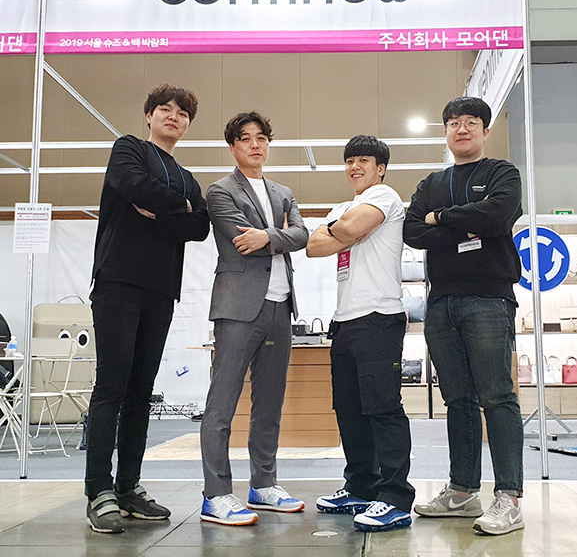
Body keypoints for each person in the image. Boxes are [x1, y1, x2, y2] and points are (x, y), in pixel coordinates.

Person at [85, 84, 210, 534]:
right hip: (118, 282)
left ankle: (128, 487)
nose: (174, 117)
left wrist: (164, 211)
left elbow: (201, 225)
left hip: (161, 291)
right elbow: (131, 184)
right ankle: (98, 490)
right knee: (111, 386)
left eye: (182, 113)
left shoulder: (187, 176)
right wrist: (179, 209)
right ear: (149, 116)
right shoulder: (129, 149)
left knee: (142, 392)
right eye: (165, 109)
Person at [404, 96, 524, 536]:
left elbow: (498, 215)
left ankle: (509, 498)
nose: (462, 129)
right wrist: (464, 225)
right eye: (453, 123)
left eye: (471, 122)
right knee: (457, 399)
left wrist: (442, 219)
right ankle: (462, 491)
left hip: (489, 298)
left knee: (497, 396)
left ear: (485, 130)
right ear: (446, 132)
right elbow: (413, 230)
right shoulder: (432, 182)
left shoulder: (502, 173)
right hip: (441, 303)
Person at [200, 112, 308, 526]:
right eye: (245, 139)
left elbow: (302, 236)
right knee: (222, 403)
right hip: (238, 308)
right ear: (233, 147)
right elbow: (241, 239)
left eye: (261, 138)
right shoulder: (220, 191)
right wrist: (276, 235)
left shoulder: (284, 191)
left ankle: (263, 485)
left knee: (270, 402)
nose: (255, 145)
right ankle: (216, 494)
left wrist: (268, 236)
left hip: (281, 306)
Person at [306, 135, 415, 533]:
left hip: (379, 318)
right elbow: (313, 247)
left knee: (382, 408)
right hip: (345, 321)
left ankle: (395, 498)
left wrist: (343, 230)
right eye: (349, 161)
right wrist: (346, 230)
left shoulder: (384, 195)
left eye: (363, 160)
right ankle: (361, 487)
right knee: (349, 410)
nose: (354, 167)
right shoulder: (342, 206)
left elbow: (345, 229)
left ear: (380, 168)